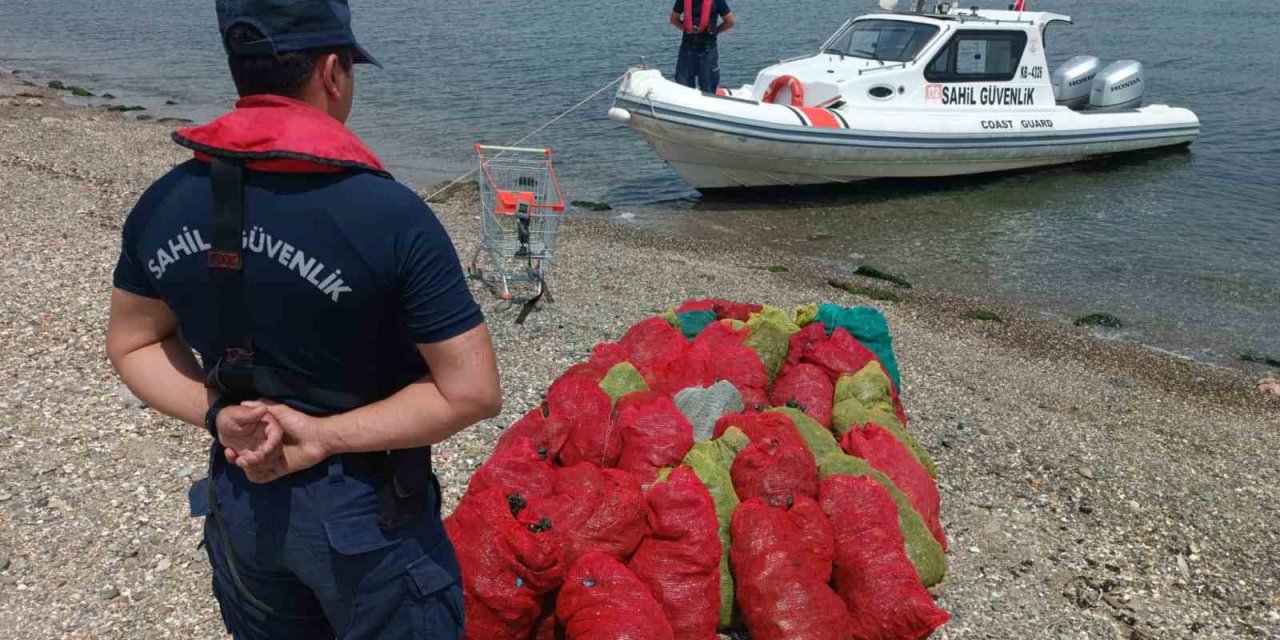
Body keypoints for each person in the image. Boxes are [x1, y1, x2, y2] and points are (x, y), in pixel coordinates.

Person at [104, 1, 501, 638]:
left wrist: (219, 413)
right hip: (367, 514)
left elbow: (132, 343)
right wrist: (323, 437)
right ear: (332, 72)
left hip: (242, 498)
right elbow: (472, 391)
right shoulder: (391, 216)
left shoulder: (165, 202)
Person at [670, 0, 736, 92]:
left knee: (708, 89)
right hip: (687, 50)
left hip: (707, 51)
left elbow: (730, 21)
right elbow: (674, 19)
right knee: (683, 89)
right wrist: (685, 28)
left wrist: (715, 31)